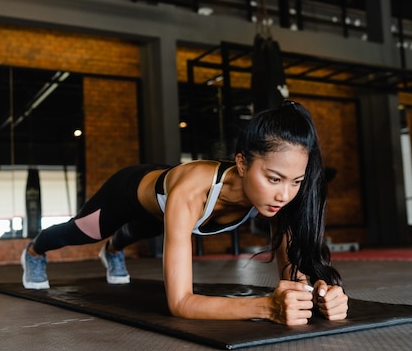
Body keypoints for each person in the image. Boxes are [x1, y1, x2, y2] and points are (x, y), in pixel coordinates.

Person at [21, 100, 349, 325]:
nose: (285, 193)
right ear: (242, 163)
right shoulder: (190, 194)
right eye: (274, 179)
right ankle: (35, 252)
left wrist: (319, 296)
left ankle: (115, 250)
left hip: (161, 212)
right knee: (82, 232)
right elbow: (180, 304)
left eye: (296, 182)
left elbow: (292, 277)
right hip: (129, 190)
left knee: (143, 229)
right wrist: (266, 307)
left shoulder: (281, 198)